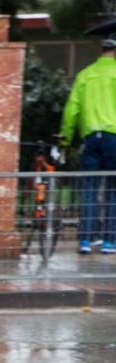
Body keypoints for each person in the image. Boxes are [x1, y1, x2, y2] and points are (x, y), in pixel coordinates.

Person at [59, 33, 116, 255]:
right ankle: (110, 241)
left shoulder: (85, 75)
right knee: (114, 190)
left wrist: (65, 139)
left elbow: (71, 110)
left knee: (89, 189)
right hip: (114, 137)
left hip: (91, 138)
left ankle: (85, 240)